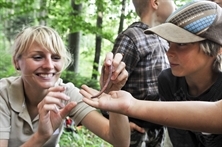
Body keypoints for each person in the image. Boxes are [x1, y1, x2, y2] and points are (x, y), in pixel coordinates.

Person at [80, 0, 222, 146]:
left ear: (218, 48)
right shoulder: (168, 81)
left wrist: (132, 106)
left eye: (181, 44)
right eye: (169, 42)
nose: (169, 52)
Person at [0, 26, 130, 147]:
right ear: (16, 62)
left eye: (56, 58)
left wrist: (113, 92)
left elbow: (119, 141)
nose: (49, 66)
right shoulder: (3, 93)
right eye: (38, 57)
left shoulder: (66, 93)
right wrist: (41, 136)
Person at [100, 0, 175, 146]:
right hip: (137, 131)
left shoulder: (166, 40)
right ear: (155, 2)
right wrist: (116, 121)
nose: (175, 4)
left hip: (161, 129)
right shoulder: (131, 38)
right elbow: (109, 87)